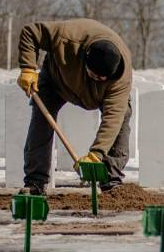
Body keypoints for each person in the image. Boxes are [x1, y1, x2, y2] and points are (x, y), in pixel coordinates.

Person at [15, 19, 133, 196]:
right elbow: (30, 32)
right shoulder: (66, 36)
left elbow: (112, 118)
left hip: (98, 96)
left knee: (122, 117)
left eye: (103, 79)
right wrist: (27, 67)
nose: (99, 80)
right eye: (95, 76)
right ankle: (35, 182)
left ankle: (111, 181)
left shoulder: (120, 79)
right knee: (41, 118)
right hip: (58, 79)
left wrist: (97, 153)